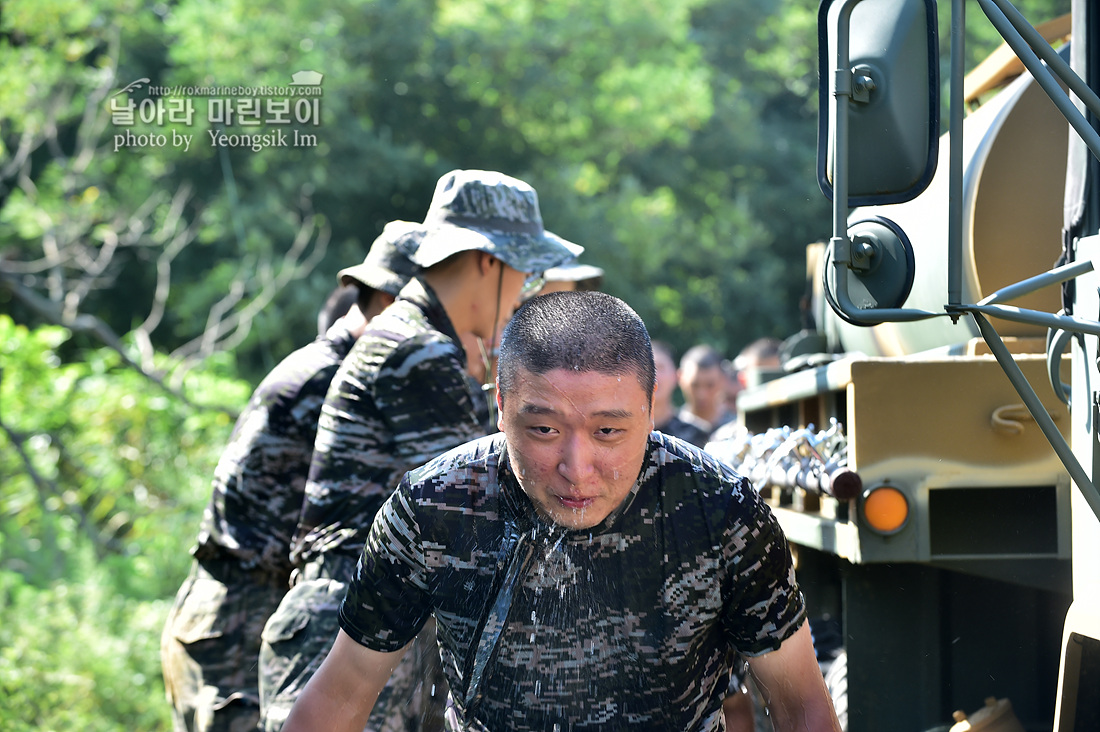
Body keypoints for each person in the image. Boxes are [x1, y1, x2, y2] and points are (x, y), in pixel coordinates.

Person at [280, 290, 841, 732]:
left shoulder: (720, 513)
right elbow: (341, 693)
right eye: (544, 429)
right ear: (500, 408)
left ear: (651, 412)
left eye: (608, 431)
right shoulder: (435, 510)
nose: (577, 466)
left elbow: (802, 707)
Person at [257, 169, 582, 732]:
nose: (528, 288)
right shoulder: (419, 352)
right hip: (349, 631)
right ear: (487, 260)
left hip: (362, 623)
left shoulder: (412, 337)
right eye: (524, 268)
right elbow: (483, 516)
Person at [160, 221, 419, 732]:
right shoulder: (334, 380)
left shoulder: (345, 369)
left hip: (261, 608)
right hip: (240, 619)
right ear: (390, 302)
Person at [651, 340, 711, 447]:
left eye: (661, 367)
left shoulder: (696, 434)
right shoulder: (623, 431)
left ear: (676, 376)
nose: (654, 376)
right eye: (649, 368)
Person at [677, 343, 736, 441]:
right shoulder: (669, 431)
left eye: (710, 385)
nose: (702, 394)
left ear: (723, 380)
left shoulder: (736, 430)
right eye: (695, 385)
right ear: (680, 378)